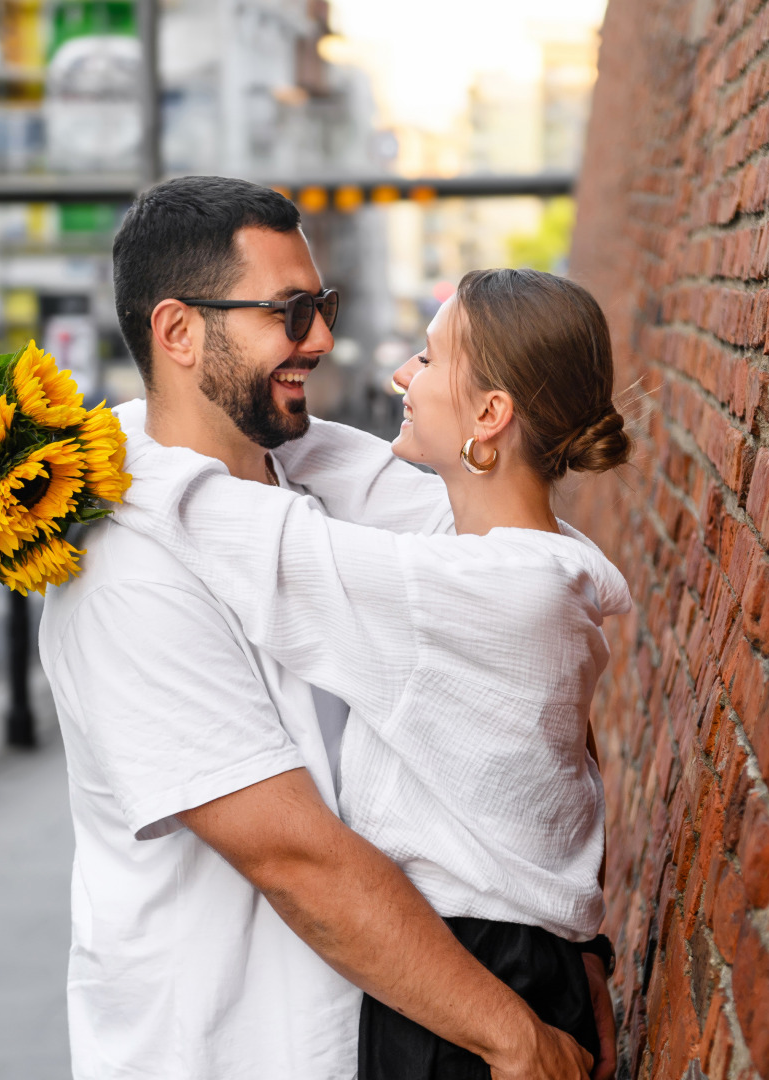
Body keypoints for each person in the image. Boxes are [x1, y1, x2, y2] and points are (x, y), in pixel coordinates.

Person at [40, 176, 600, 1080]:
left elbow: (518, 626)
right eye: (290, 312)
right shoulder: (126, 575)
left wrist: (567, 944)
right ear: (178, 332)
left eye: (323, 306)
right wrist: (515, 1036)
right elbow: (296, 857)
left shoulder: (318, 484)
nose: (323, 340)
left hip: (383, 1026)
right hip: (238, 1051)